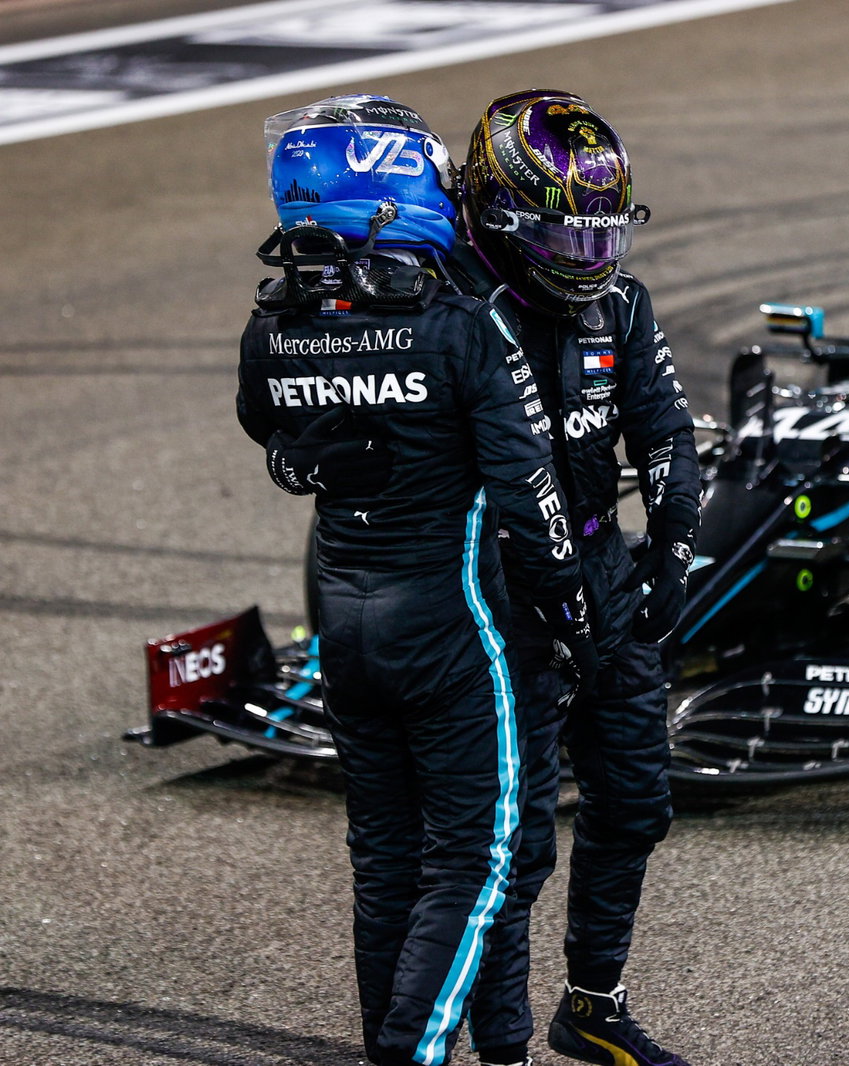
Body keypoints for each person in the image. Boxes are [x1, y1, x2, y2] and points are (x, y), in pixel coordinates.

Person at [235, 94, 594, 1066]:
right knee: (476, 866)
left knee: (385, 862)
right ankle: (411, 1054)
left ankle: (402, 1044)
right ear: (394, 190)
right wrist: (570, 609)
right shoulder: (464, 329)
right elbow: (528, 493)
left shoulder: (271, 331)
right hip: (450, 628)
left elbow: (269, 428)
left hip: (341, 628)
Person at [453, 90, 701, 1066]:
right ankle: (500, 1044)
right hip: (502, 592)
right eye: (567, 232)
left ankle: (591, 1006)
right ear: (504, 215)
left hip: (601, 570)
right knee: (514, 849)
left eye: (604, 235)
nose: (588, 258)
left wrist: (674, 545)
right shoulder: (463, 322)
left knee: (638, 799)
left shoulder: (621, 307)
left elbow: (670, 433)